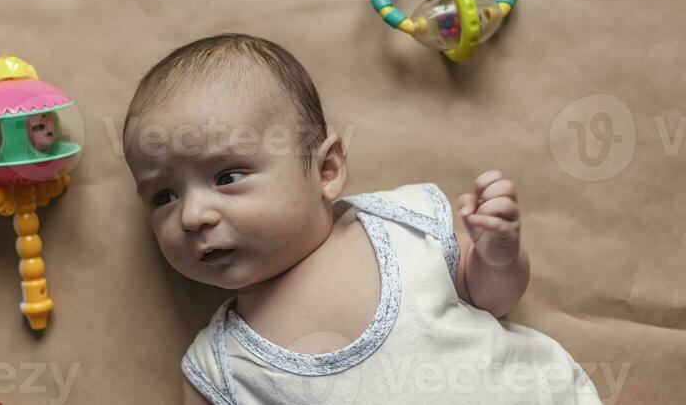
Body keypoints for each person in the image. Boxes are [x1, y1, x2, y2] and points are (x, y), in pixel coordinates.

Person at [123, 33, 602, 404]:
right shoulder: (221, 367)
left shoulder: (402, 225)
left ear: (326, 170)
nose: (192, 215)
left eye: (227, 176)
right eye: (163, 196)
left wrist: (498, 253)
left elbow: (494, 299)